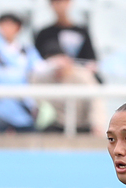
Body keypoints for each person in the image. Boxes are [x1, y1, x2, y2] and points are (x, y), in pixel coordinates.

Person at [32, 0, 105, 134]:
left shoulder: (81, 31)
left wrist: (72, 66)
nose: (60, 6)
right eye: (56, 2)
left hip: (77, 77)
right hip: (53, 80)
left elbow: (91, 61)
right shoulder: (44, 33)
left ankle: (93, 127)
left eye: (63, 2)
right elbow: (36, 62)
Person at [0, 13, 46, 133]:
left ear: (18, 28)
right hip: (0, 110)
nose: (6, 29)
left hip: (24, 110)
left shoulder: (27, 51)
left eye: (10, 25)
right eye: (3, 25)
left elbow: (41, 68)